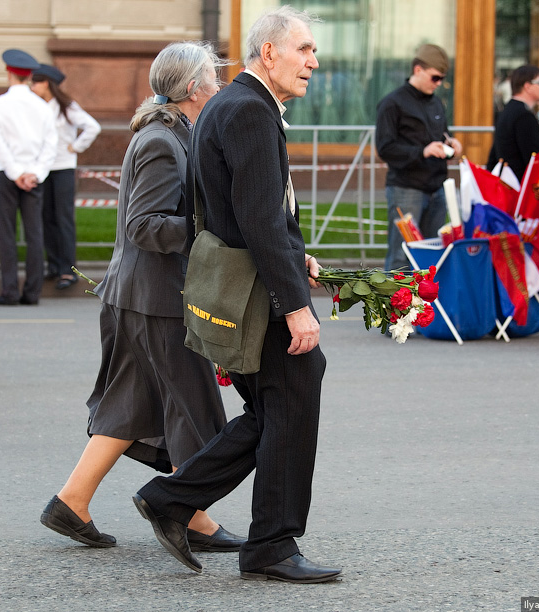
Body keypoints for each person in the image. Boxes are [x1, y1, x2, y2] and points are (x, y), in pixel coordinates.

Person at [132, 7, 341, 584]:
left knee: (274, 409)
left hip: (245, 283)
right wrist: (296, 304)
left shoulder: (231, 105)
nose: (313, 62)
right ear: (269, 53)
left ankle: (172, 500)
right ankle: (270, 544)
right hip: (257, 294)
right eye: (303, 49)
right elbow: (255, 217)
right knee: (293, 399)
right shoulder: (249, 109)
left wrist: (294, 255)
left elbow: (240, 208)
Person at [40, 41, 244, 552]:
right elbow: (145, 227)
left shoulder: (176, 134)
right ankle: (190, 514)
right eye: (213, 80)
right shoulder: (161, 141)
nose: (219, 87)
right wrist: (206, 228)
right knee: (196, 405)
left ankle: (72, 502)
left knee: (130, 406)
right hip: (156, 299)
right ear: (194, 89)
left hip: (138, 297)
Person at [376, 43, 461, 272]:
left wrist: (451, 144)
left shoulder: (435, 102)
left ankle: (423, 308)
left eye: (442, 78)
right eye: (435, 78)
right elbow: (385, 148)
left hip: (436, 188)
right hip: (407, 189)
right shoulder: (392, 103)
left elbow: (442, 134)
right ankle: (393, 308)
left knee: (431, 256)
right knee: (401, 257)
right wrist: (422, 151)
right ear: (418, 70)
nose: (439, 83)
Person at [0, 49, 57, 306]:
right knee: (34, 233)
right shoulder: (43, 107)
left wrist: (16, 174)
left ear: (9, 73)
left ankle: (9, 291)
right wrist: (34, 174)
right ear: (29, 75)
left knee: (6, 232)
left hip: (7, 174)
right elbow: (51, 146)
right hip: (34, 176)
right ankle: (32, 292)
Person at [30, 64, 101, 290]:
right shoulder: (36, 107)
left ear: (47, 84)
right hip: (42, 168)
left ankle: (67, 269)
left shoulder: (66, 106)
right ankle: (53, 266)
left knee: (63, 218)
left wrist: (76, 147)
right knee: (46, 218)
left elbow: (92, 127)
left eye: (36, 82)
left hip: (63, 168)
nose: (33, 86)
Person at [487, 64, 539, 181]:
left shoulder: (508, 110)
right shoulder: (523, 115)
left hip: (508, 182)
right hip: (519, 185)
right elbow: (534, 158)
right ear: (527, 86)